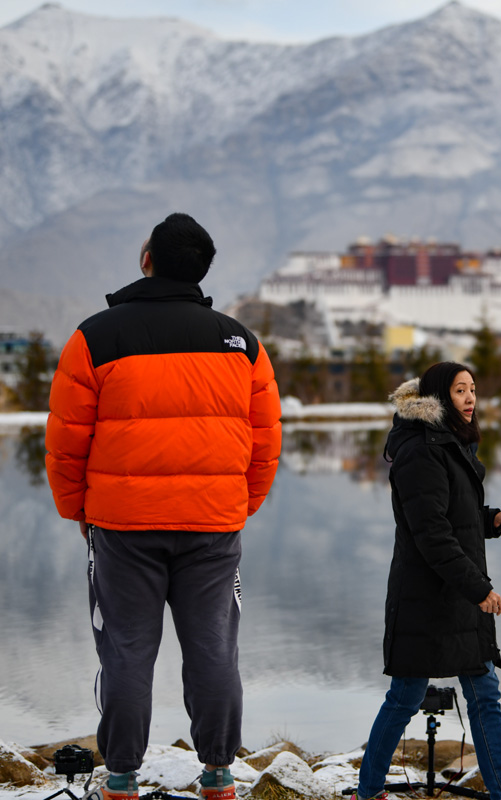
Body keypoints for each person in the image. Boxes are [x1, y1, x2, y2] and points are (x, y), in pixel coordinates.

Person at [45, 213, 281, 800]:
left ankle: (121, 776)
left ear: (146, 258)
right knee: (213, 650)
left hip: (123, 525)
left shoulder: (94, 338)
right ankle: (219, 773)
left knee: (125, 650)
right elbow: (266, 439)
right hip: (213, 526)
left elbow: (65, 439)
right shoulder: (242, 343)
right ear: (201, 268)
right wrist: (238, 505)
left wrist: (81, 512)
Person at [354, 362, 501, 800]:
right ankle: (369, 791)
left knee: (485, 695)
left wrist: (492, 520)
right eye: (460, 390)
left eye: (473, 389)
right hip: (426, 599)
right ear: (437, 397)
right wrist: (480, 590)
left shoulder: (450, 444)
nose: (470, 398)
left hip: (457, 593)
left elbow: (452, 516)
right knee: (405, 698)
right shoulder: (420, 451)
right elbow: (431, 534)